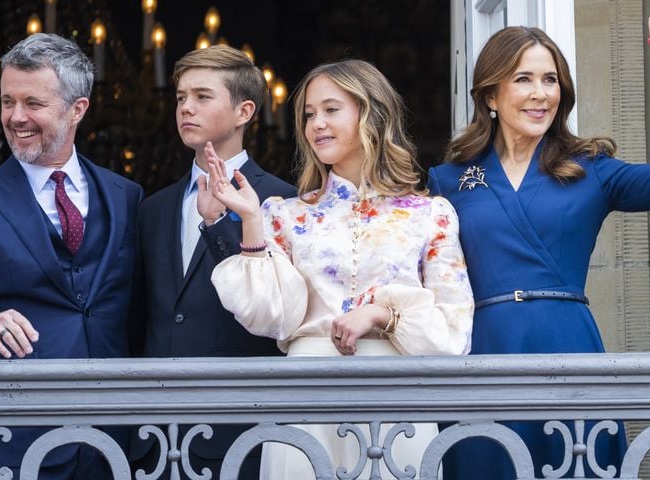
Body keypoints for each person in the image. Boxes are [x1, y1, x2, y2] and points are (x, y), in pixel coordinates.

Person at [427, 10, 650, 479]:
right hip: (484, 351)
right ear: (491, 96)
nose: (541, 93)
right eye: (523, 79)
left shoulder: (590, 169)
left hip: (568, 346)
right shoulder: (449, 180)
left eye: (551, 80)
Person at [202, 59, 474, 479]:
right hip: (307, 394)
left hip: (396, 395)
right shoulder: (284, 214)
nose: (317, 124)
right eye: (309, 114)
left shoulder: (430, 214)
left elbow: (454, 332)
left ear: (371, 115)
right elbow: (270, 317)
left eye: (331, 109)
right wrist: (252, 221)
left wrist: (384, 315)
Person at [0, 34, 142, 479]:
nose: (16, 117)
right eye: (7, 101)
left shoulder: (127, 195)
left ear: (77, 109)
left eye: (33, 103)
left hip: (117, 440)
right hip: (11, 438)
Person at [129, 45, 296, 479]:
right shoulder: (153, 208)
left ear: (244, 111)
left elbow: (277, 313)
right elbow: (141, 319)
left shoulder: (283, 201)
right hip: (153, 438)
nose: (186, 107)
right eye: (181, 97)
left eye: (202, 96)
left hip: (239, 432)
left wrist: (222, 226)